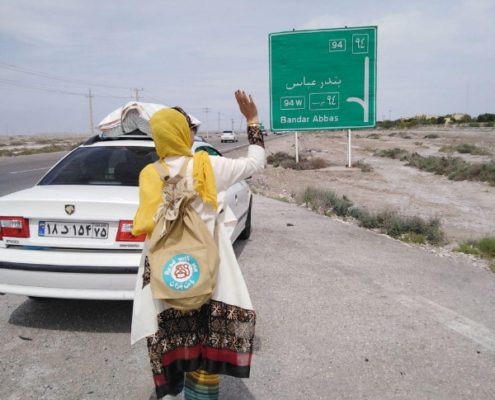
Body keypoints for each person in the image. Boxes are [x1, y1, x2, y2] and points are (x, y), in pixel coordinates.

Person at [131, 90, 265, 399]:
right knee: (206, 345)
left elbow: (145, 224)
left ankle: (176, 382)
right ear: (183, 133)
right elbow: (256, 163)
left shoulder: (149, 174)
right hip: (207, 271)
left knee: (175, 341)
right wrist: (252, 120)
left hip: (165, 271)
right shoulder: (208, 167)